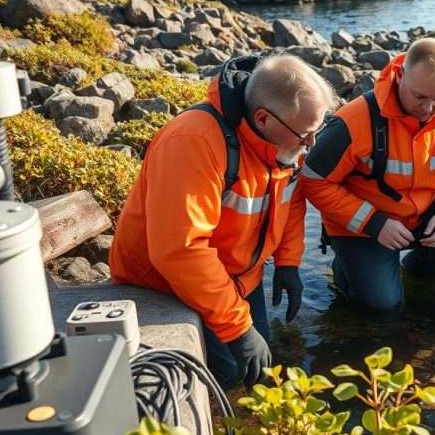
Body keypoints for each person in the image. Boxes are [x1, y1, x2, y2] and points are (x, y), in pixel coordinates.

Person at [109, 55, 337, 388]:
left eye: (318, 130)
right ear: (262, 119)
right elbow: (180, 250)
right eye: (305, 135)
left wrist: (288, 263)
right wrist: (238, 329)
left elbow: (291, 198)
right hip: (164, 283)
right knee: (231, 376)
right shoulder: (193, 141)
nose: (311, 144)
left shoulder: (283, 142)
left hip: (238, 276)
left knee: (261, 367)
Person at [301, 37, 435, 315]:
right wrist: (373, 223)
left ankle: (413, 270)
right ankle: (346, 267)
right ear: (400, 75)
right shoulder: (354, 121)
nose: (428, 108)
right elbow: (312, 180)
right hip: (363, 225)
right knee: (383, 307)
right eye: (419, 96)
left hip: (421, 217)